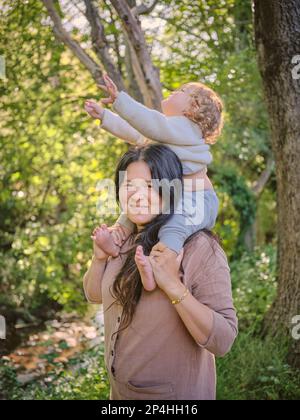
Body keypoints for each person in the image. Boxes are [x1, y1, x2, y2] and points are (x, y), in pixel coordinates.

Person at [83, 144, 238, 400]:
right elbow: (94, 296)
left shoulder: (198, 247)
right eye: (129, 185)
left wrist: (173, 286)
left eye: (151, 186)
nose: (138, 195)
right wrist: (99, 258)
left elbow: (223, 341)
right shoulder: (123, 238)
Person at [84, 74, 222, 292]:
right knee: (134, 207)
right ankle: (116, 238)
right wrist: (105, 117)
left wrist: (120, 100)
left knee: (175, 226)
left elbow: (150, 124)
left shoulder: (187, 127)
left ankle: (159, 267)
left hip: (198, 201)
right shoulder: (170, 135)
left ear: (192, 109)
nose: (174, 91)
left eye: (182, 91)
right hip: (174, 194)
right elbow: (138, 136)